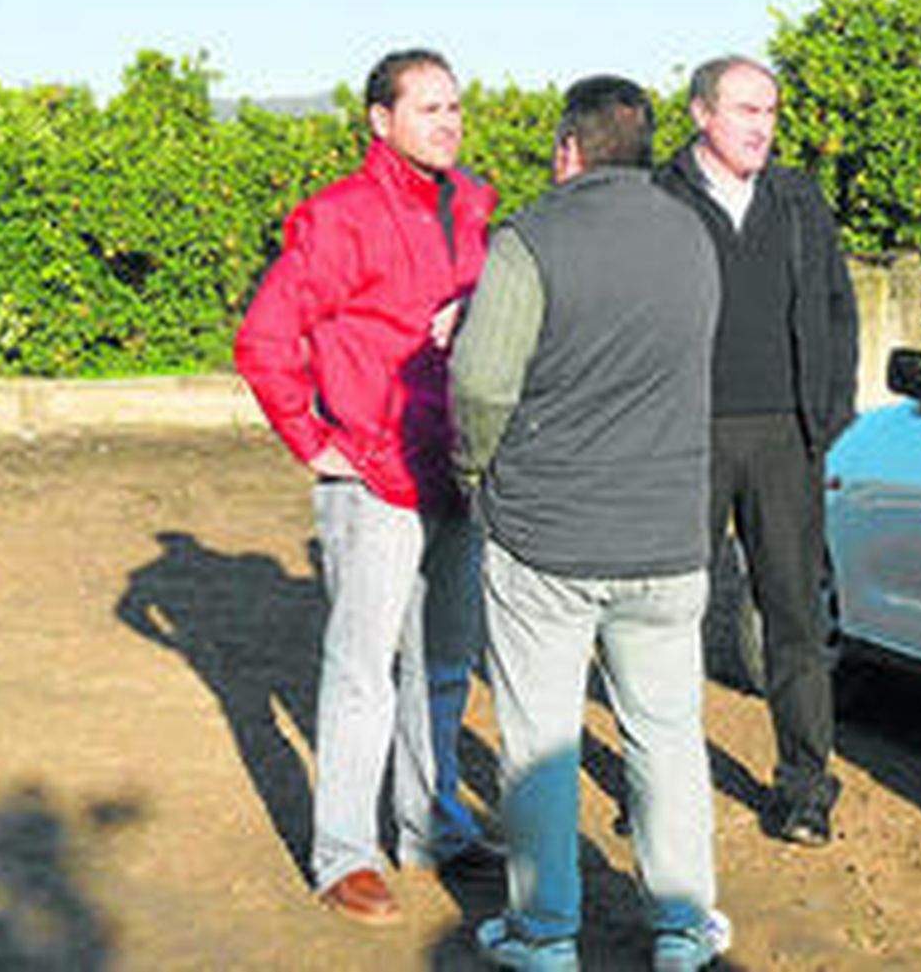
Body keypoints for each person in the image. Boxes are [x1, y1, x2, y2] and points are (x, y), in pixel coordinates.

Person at [452, 75, 729, 972]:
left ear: (568, 150)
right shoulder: (695, 236)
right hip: (667, 538)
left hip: (549, 538)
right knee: (666, 733)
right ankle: (684, 926)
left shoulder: (530, 239)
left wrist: (468, 470)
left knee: (541, 740)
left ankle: (545, 933)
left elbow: (482, 383)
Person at [234, 49, 502, 927]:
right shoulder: (337, 218)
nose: (448, 122)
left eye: (455, 106)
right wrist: (314, 442)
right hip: (375, 474)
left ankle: (432, 826)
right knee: (362, 674)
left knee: (446, 663)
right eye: (429, 108)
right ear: (381, 121)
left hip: (457, 469)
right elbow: (264, 340)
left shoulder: (477, 203)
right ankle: (344, 852)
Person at [654, 55, 859, 847]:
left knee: (795, 616)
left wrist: (828, 413)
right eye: (745, 109)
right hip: (686, 435)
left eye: (770, 110)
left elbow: (838, 308)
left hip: (785, 437)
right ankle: (660, 786)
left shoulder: (799, 199)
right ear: (703, 113)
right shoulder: (659, 197)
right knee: (667, 615)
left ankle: (806, 788)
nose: (762, 125)